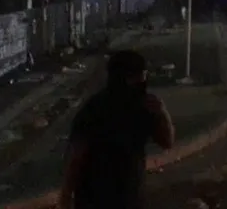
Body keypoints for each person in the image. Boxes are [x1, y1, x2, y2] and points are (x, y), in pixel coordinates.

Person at [59, 50, 174, 209]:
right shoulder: (97, 109)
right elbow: (77, 156)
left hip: (124, 198)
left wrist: (162, 113)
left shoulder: (142, 106)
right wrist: (65, 198)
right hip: (100, 198)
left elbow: (167, 142)